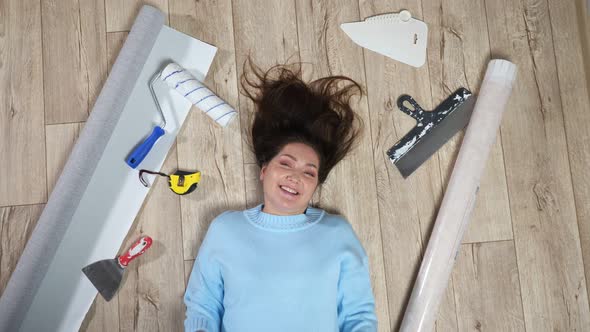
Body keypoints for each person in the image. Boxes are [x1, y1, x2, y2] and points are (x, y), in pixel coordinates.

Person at [184, 61, 377, 332]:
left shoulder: (338, 233)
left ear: (315, 186)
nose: (296, 176)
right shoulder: (225, 229)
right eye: (285, 164)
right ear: (264, 171)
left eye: (309, 173)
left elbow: (359, 316)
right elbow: (202, 305)